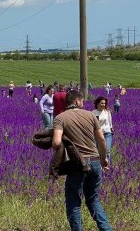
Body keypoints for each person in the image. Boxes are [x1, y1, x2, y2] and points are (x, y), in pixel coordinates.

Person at [52, 90, 112, 231]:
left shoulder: (60, 118)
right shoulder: (90, 115)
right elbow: (102, 139)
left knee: (73, 202)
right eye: (82, 101)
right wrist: (104, 158)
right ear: (77, 101)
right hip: (95, 160)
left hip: (77, 164)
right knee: (93, 198)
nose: (83, 104)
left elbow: (56, 142)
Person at [92, 96, 114, 164]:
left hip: (107, 133)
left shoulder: (107, 112)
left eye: (104, 103)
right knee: (99, 150)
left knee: (107, 150)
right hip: (98, 134)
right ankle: (100, 165)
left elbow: (110, 122)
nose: (103, 105)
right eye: (102, 103)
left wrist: (111, 128)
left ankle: (107, 165)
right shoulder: (93, 113)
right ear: (97, 104)